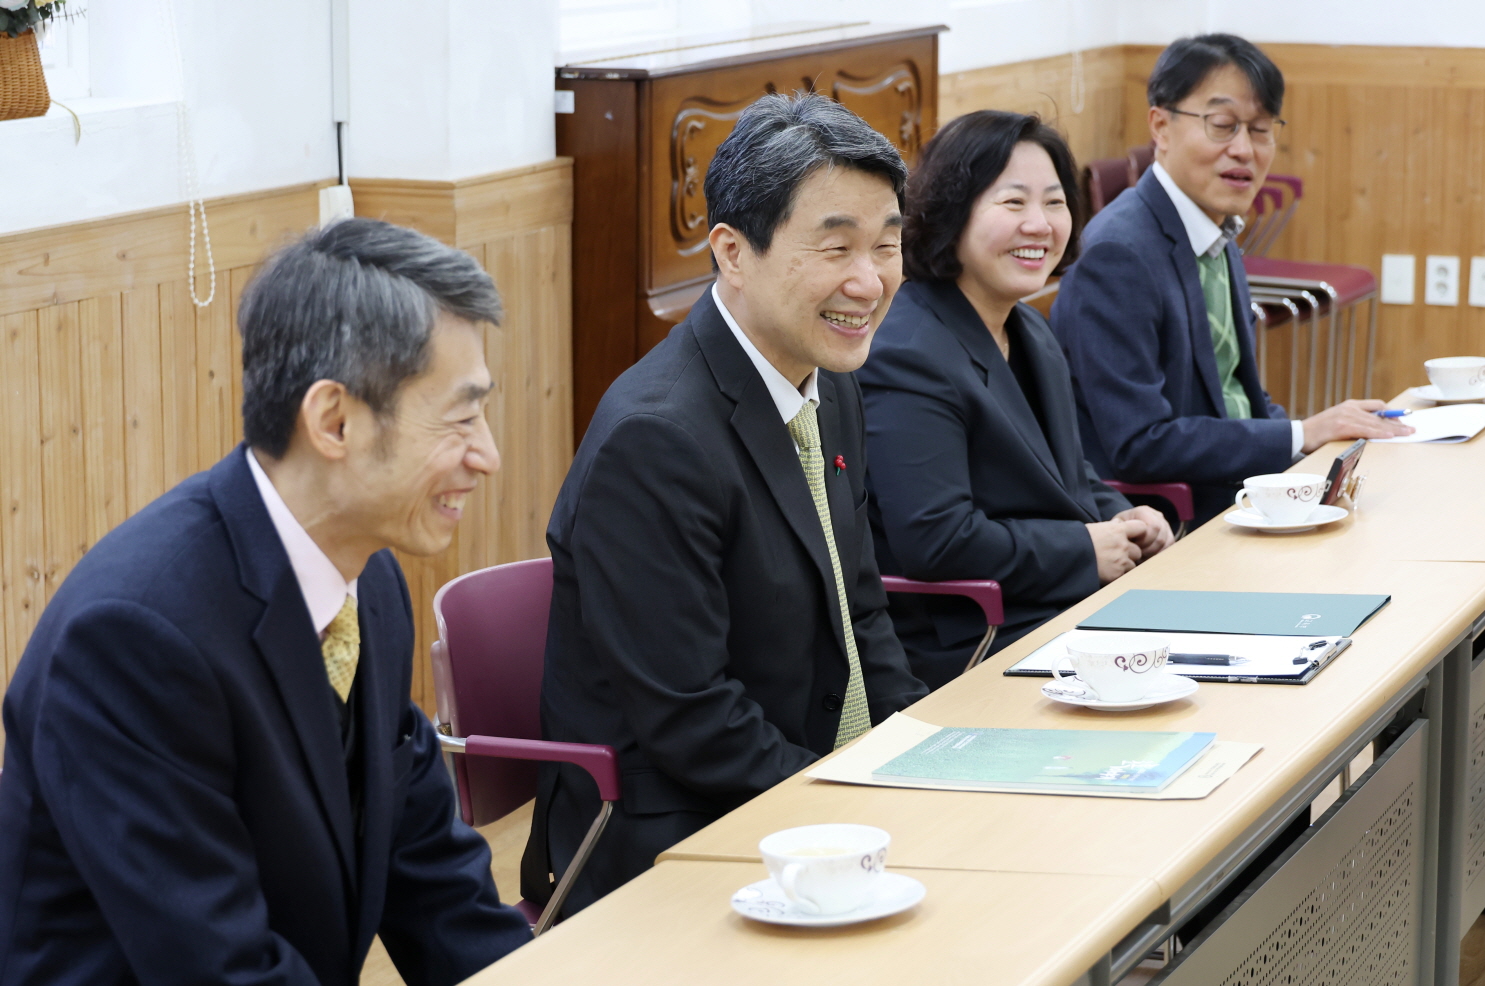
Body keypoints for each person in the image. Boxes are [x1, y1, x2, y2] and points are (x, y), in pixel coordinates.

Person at [0, 219, 532, 984]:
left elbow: (433, 880)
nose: (488, 456)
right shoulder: (133, 637)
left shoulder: (367, 583)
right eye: (460, 416)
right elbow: (219, 967)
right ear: (334, 421)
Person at [523, 92, 928, 916]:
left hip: (805, 791)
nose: (871, 279)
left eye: (887, 245)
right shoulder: (656, 440)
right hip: (674, 841)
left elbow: (861, 614)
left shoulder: (828, 374)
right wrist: (856, 815)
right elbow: (693, 722)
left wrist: (925, 762)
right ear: (732, 253)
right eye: (837, 246)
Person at [856, 111, 1174, 689]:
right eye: (1013, 204)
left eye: (1055, 203)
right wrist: (1082, 549)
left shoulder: (1028, 328)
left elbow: (1064, 477)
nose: (1040, 224)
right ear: (953, 214)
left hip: (1055, 609)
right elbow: (937, 540)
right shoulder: (906, 349)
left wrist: (1118, 517)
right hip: (972, 638)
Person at [1051, 34, 1411, 521]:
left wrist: (1314, 456)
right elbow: (1139, 444)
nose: (1244, 149)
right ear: (1161, 125)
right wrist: (1302, 434)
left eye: (1261, 129)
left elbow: (1237, 396)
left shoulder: (1213, 230)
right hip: (1172, 521)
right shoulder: (1119, 254)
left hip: (1240, 495)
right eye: (1223, 126)